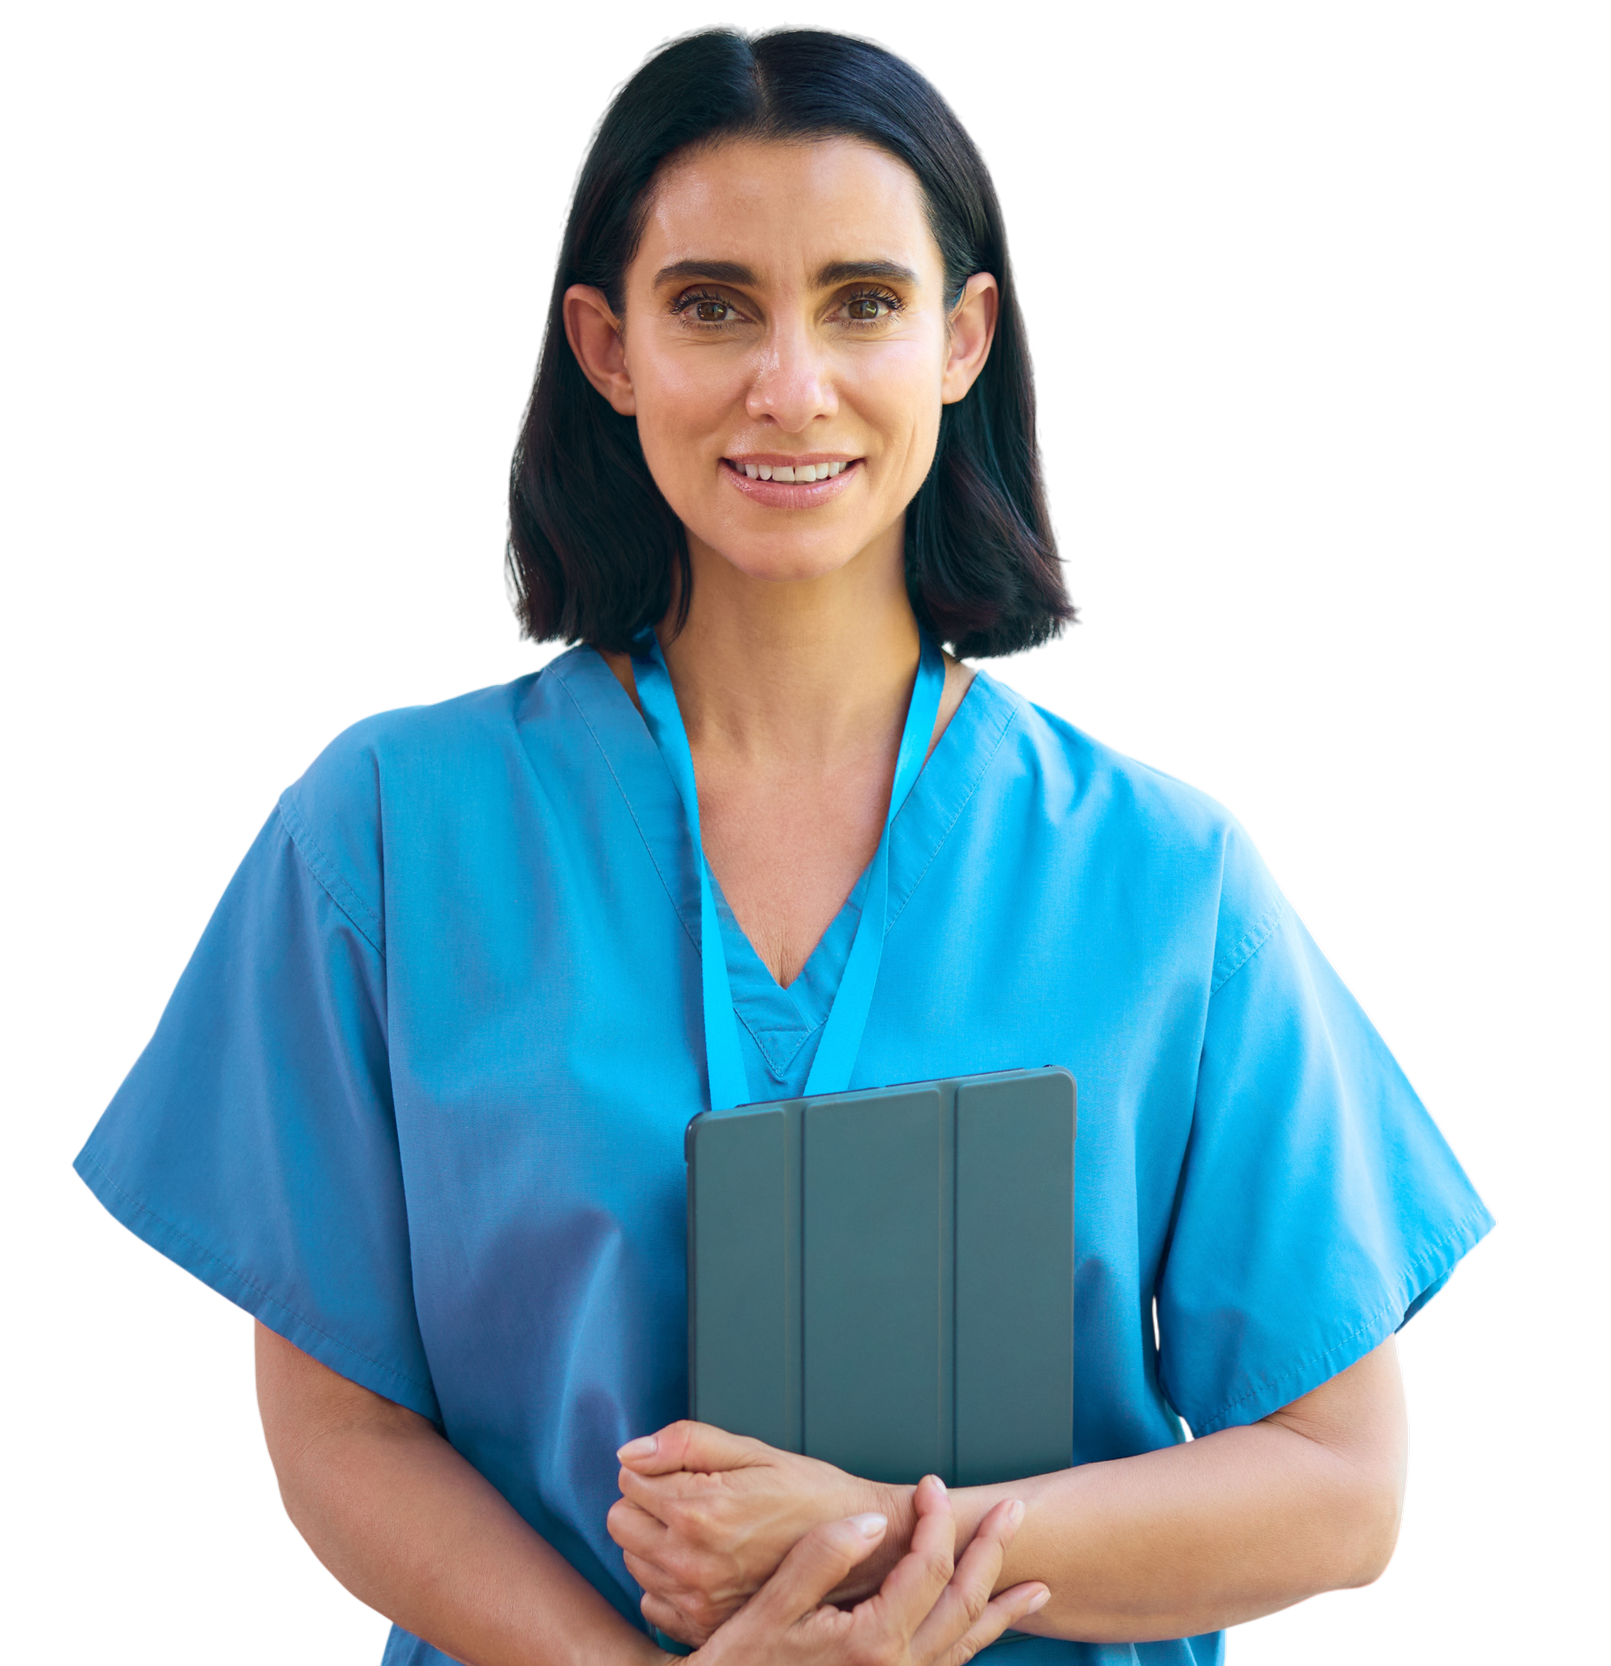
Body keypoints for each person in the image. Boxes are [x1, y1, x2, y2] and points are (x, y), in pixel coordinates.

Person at [70, 22, 1496, 1666]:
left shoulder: (1170, 884)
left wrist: (882, 1540)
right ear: (605, 348)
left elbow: (1337, 1483)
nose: (789, 384)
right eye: (711, 305)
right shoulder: (381, 838)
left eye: (863, 303)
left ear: (964, 340)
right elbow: (339, 1436)